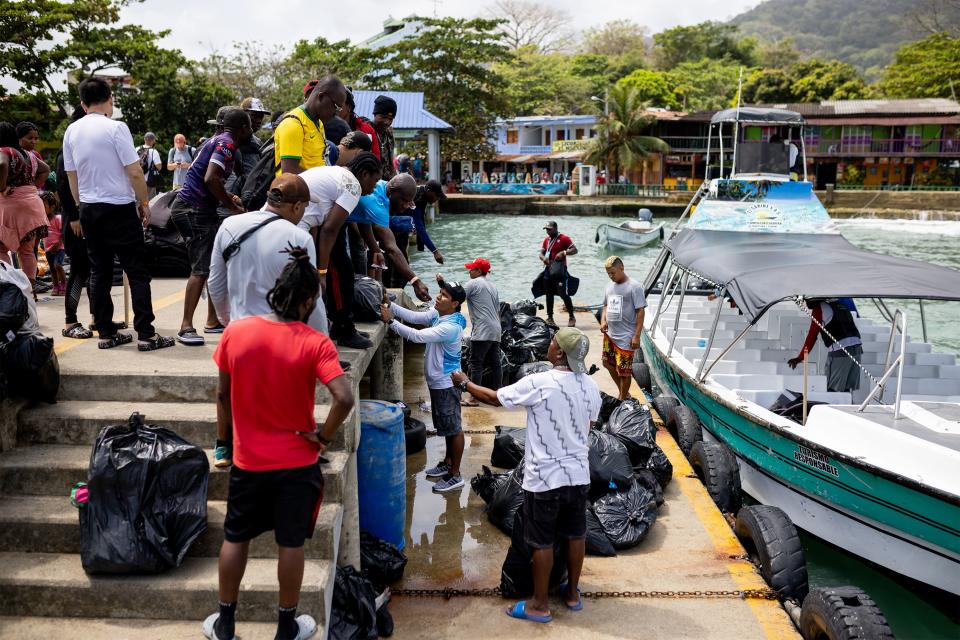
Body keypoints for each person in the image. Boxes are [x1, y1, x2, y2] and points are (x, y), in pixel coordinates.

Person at [204, 246, 354, 640]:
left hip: (249, 462)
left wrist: (224, 442)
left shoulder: (236, 332)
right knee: (290, 543)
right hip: (297, 464)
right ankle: (286, 627)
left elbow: (222, 396)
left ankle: (226, 624)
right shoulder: (315, 342)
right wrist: (322, 437)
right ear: (306, 301)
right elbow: (345, 397)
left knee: (235, 538)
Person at [451, 327, 600, 623]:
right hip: (578, 475)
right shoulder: (591, 387)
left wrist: (465, 382)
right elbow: (590, 426)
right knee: (575, 534)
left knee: (541, 541)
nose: (549, 343)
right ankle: (571, 594)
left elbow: (495, 399)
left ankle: (540, 605)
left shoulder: (540, 382)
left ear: (559, 352)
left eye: (553, 341)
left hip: (545, 478)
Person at [62, 78, 173, 351]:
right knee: (136, 271)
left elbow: (71, 175)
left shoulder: (71, 131)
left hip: (88, 207)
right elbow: (135, 171)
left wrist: (81, 206)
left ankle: (106, 333)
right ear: (110, 99)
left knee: (98, 271)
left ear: (82, 103)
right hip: (119, 208)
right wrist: (144, 202)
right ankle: (146, 334)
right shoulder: (116, 128)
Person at [170, 107, 253, 346]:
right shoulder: (226, 144)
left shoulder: (219, 140)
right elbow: (210, 178)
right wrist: (230, 204)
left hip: (197, 208)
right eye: (250, 126)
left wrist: (227, 197)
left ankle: (213, 320)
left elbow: (209, 180)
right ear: (243, 128)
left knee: (213, 265)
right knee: (200, 269)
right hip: (192, 210)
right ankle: (186, 326)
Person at [380, 280, 468, 493]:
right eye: (440, 292)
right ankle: (447, 461)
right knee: (446, 426)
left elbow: (417, 336)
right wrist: (390, 305)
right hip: (437, 383)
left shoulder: (450, 327)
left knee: (454, 428)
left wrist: (391, 322)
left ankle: (455, 474)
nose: (439, 297)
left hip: (446, 383)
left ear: (455, 303)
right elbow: (414, 317)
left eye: (445, 295)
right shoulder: (439, 314)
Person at [297, 153, 381, 349]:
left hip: (305, 223)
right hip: (298, 226)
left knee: (344, 269)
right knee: (339, 274)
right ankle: (342, 330)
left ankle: (340, 325)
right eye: (375, 181)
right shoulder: (353, 186)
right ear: (365, 174)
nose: (375, 187)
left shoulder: (340, 174)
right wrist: (322, 271)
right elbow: (329, 229)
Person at [348, 173, 431, 301]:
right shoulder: (377, 204)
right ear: (392, 192)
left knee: (370, 260)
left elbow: (365, 222)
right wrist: (415, 281)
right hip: (335, 224)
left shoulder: (382, 186)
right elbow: (391, 248)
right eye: (403, 200)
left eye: (409, 202)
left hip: (348, 221)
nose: (405, 206)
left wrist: (374, 248)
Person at [440, 257, 501, 407]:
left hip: (482, 328)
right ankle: (498, 394)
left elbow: (456, 296)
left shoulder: (474, 283)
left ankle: (474, 398)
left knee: (476, 363)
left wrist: (442, 284)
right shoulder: (492, 285)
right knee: (495, 363)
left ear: (479, 271)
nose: (469, 271)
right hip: (496, 328)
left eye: (472, 269)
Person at [56, 105, 94, 339]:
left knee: (93, 270)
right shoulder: (66, 152)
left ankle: (96, 317)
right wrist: (75, 216)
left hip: (88, 218)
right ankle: (70, 322)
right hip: (75, 221)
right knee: (79, 271)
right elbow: (63, 185)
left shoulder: (83, 150)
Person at [0, 122, 50, 293]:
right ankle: (28, 291)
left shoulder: (5, 151)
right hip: (32, 204)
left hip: (12, 205)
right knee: (27, 251)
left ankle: (7, 288)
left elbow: (2, 164)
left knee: (1, 248)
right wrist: (31, 187)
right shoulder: (29, 155)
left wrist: (1, 187)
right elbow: (46, 169)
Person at [275, 76, 347, 176]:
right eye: (336, 107)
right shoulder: (293, 124)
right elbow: (289, 173)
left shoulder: (319, 123)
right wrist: (324, 181)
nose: (337, 113)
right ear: (321, 97)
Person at [788, 298, 863, 393]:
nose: (806, 303)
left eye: (807, 300)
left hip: (840, 350)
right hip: (857, 348)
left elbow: (812, 336)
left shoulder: (819, 309)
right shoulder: (841, 305)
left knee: (831, 388)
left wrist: (800, 358)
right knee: (846, 390)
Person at [599, 256, 646, 400]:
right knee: (607, 363)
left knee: (624, 371)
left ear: (622, 268)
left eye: (613, 272)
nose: (611, 276)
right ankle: (624, 392)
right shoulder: (609, 286)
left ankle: (622, 397)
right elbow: (606, 305)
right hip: (611, 334)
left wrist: (637, 335)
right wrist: (603, 320)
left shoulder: (634, 287)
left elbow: (640, 311)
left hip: (626, 336)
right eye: (608, 274)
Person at [539, 221, 578, 328]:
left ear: (556, 228)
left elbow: (575, 250)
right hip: (548, 270)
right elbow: (541, 253)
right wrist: (544, 258)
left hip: (560, 270)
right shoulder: (546, 240)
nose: (548, 231)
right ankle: (550, 317)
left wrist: (564, 252)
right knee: (549, 293)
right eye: (546, 229)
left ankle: (571, 316)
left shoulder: (564, 238)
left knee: (563, 293)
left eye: (550, 229)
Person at [411, 179, 445, 264]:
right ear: (429, 191)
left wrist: (420, 245)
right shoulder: (417, 199)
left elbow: (421, 221)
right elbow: (420, 228)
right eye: (436, 195)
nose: (437, 199)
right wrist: (435, 251)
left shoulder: (422, 195)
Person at [40, 191, 66, 296]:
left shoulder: (58, 219)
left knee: (58, 266)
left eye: (44, 205)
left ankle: (63, 284)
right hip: (48, 249)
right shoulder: (42, 220)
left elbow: (63, 234)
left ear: (52, 207)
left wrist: (58, 244)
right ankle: (55, 286)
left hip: (59, 248)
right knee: (52, 269)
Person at [371, 95, 396, 180]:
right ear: (375, 114)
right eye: (384, 117)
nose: (387, 122)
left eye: (391, 119)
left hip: (386, 182)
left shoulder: (389, 134)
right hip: (371, 182)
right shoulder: (367, 132)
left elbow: (391, 160)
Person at [137, 132, 163, 198]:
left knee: (137, 202)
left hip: (136, 179)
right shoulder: (154, 151)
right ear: (153, 140)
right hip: (148, 182)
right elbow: (159, 167)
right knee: (149, 203)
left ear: (144, 139)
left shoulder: (136, 149)